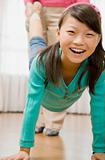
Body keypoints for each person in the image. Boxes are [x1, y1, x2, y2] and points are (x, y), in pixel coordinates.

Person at [3, 2, 105, 160]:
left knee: (37, 43)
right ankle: (35, 14)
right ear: (58, 33)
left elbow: (98, 109)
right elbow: (32, 104)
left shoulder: (97, 69)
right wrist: (24, 149)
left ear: (99, 38)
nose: (79, 41)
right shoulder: (41, 63)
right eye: (72, 32)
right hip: (41, 60)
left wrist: (99, 150)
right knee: (36, 42)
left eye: (89, 34)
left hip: (57, 99)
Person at [24, 0, 90, 136]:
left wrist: (82, 11)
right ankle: (38, 121)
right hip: (38, 7)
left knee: (59, 68)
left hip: (66, 10)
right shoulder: (37, 64)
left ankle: (53, 123)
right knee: (38, 52)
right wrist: (30, 5)